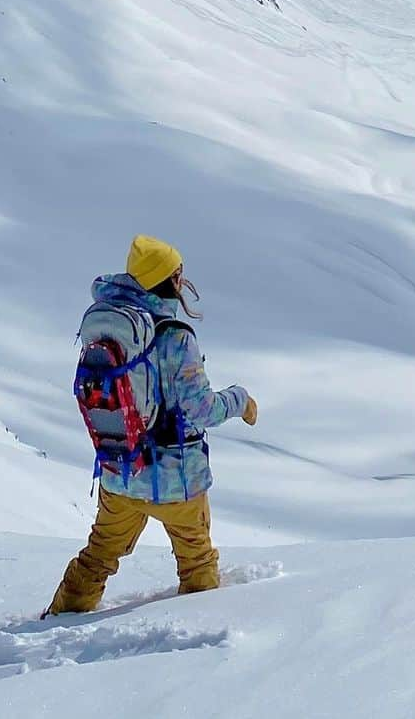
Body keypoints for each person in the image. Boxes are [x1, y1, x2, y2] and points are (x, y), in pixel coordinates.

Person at [45, 235, 257, 615]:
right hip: (178, 480)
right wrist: (241, 400)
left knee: (98, 557)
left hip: (121, 469)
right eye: (179, 273)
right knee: (197, 563)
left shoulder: (112, 323)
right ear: (171, 278)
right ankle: (192, 644)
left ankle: (57, 617)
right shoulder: (175, 336)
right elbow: (203, 410)